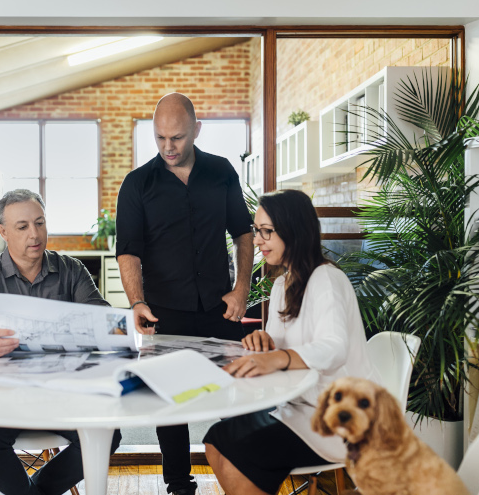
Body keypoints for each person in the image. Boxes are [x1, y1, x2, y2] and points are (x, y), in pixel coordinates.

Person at [115, 92, 254, 495]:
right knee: (168, 401)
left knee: (239, 389)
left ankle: (243, 471)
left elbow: (243, 232)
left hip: (219, 307)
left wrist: (242, 288)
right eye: (159, 138)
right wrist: (137, 302)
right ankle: (178, 484)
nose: (168, 147)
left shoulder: (222, 171)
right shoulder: (137, 183)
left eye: (176, 137)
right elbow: (128, 251)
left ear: (196, 130)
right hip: (165, 311)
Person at [203, 190, 380, 495]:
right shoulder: (282, 284)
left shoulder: (326, 278)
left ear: (294, 230)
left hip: (341, 418)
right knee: (216, 441)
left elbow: (334, 347)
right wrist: (264, 341)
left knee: (238, 450)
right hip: (299, 405)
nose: (257, 240)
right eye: (256, 230)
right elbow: (278, 344)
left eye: (266, 232)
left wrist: (278, 357)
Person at [0, 189, 122, 495]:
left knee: (108, 431)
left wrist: (122, 324)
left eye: (40, 223)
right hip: (1, 393)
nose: (35, 234)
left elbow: (101, 317)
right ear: (2, 231)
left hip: (61, 388)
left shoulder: (71, 270)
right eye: (23, 226)